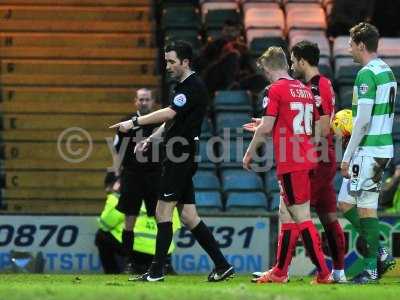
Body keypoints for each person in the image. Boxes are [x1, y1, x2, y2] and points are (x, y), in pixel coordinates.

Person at [110, 40, 234, 282]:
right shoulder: (182, 86)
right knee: (188, 216)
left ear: (185, 62)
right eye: (166, 61)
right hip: (180, 154)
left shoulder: (192, 86)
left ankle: (156, 271)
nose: (167, 65)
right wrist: (152, 140)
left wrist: (134, 123)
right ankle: (222, 265)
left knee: (162, 210)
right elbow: (170, 123)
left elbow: (169, 113)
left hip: (181, 156)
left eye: (171, 61)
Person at [242, 46, 332, 284]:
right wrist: (270, 125)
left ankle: (324, 273)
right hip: (306, 157)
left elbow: (266, 129)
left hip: (292, 162)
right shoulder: (303, 89)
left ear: (267, 67)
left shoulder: (275, 89)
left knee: (300, 216)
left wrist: (249, 153)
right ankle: (280, 271)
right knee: (285, 214)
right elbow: (307, 127)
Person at [338, 22, 397, 284]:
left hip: (368, 150)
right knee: (345, 203)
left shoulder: (366, 74)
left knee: (365, 209)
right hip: (381, 145)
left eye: (351, 43)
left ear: (361, 45)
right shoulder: (386, 71)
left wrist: (347, 156)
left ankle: (371, 269)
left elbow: (361, 122)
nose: (348, 48)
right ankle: (381, 253)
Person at [290, 41, 347, 283]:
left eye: (293, 60)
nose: (292, 65)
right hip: (325, 156)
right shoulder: (322, 84)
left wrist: (304, 146)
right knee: (328, 216)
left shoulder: (316, 87)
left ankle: (280, 269)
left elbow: (323, 127)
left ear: (302, 61)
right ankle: (339, 272)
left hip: (318, 157)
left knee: (295, 212)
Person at [112, 88, 162, 272]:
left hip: (155, 176)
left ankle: (162, 262)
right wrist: (116, 175)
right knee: (129, 220)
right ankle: (129, 262)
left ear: (153, 102)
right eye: (141, 99)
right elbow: (117, 150)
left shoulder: (160, 121)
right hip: (132, 176)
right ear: (135, 101)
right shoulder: (126, 124)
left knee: (161, 219)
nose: (143, 102)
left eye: (147, 99)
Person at [95, 172, 180, 274]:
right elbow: (175, 225)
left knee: (101, 235)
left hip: (136, 248)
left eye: (108, 187)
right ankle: (164, 266)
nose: (107, 191)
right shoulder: (165, 198)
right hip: (163, 250)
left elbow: (105, 224)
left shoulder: (120, 197)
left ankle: (119, 270)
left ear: (117, 184)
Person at [193, 19, 265, 97]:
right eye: (227, 30)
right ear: (222, 31)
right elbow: (200, 64)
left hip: (236, 82)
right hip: (215, 81)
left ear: (238, 32)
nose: (229, 34)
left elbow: (250, 70)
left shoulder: (242, 48)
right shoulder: (214, 45)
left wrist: (242, 73)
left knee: (260, 78)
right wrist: (221, 60)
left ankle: (237, 92)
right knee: (232, 56)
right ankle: (230, 89)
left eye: (233, 31)